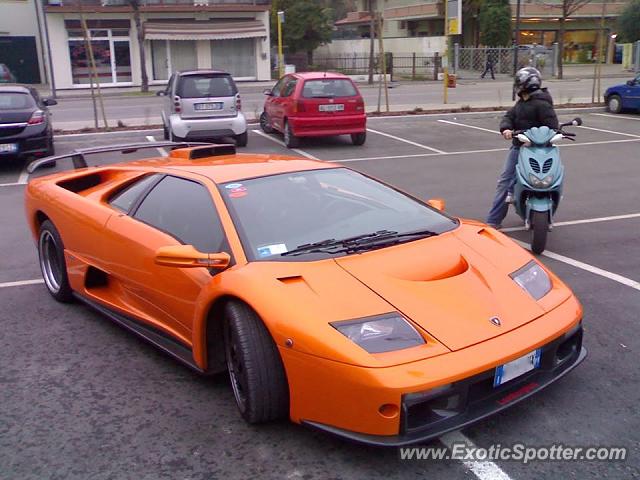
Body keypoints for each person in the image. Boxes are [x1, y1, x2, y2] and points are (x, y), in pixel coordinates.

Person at [486, 67, 559, 229]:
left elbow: (552, 127)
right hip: (519, 147)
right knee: (506, 181)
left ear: (523, 85)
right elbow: (509, 116)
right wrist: (506, 128)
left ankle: (493, 221)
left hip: (536, 150)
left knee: (508, 182)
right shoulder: (523, 102)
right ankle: (495, 219)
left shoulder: (542, 104)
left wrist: (532, 139)